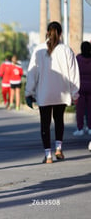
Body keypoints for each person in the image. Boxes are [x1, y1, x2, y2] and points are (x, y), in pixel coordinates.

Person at [25, 21, 80, 164]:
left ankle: (48, 155)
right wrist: (75, 94)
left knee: (45, 124)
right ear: (60, 33)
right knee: (59, 120)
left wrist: (28, 93)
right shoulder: (66, 50)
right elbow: (74, 74)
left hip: (44, 93)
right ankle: (59, 148)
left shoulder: (38, 50)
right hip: (61, 93)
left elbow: (32, 73)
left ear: (47, 33)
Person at [73, 41, 91, 138]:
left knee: (80, 110)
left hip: (80, 87)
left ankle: (80, 128)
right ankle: (90, 128)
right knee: (90, 109)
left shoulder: (78, 59)